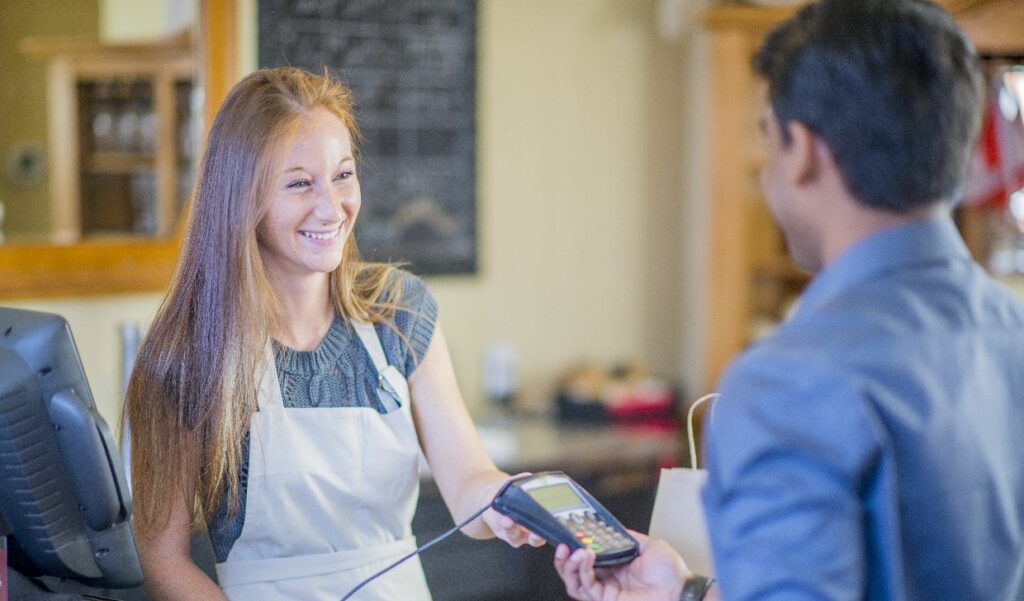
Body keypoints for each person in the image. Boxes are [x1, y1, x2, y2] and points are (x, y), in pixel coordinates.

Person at [553, 1, 1024, 599]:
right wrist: (689, 592)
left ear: (800, 151)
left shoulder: (789, 382)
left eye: (769, 143)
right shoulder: (1012, 330)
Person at [123, 67, 541, 601]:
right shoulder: (186, 354)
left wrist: (506, 502)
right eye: (299, 183)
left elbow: (468, 483)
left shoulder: (398, 312)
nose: (332, 206)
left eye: (342, 175)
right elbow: (159, 560)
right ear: (241, 198)